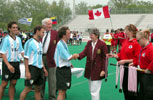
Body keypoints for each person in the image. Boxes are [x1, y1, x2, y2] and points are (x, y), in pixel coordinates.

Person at [107, 24, 141, 100]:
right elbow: (121, 54)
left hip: (133, 69)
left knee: (132, 92)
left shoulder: (136, 43)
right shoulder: (125, 41)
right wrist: (115, 55)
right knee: (125, 89)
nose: (125, 32)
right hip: (124, 69)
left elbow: (138, 58)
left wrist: (125, 61)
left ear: (131, 32)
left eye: (126, 30)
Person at [74, 28, 108, 100]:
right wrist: (78, 56)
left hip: (98, 71)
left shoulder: (102, 44)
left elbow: (105, 58)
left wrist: (103, 70)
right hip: (89, 70)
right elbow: (84, 52)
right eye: (90, 34)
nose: (90, 36)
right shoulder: (89, 43)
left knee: (94, 91)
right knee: (91, 90)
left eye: (92, 35)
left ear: (96, 35)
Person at [20, 26, 48, 100]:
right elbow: (26, 58)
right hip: (32, 68)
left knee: (38, 89)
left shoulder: (40, 43)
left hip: (40, 69)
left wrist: (44, 68)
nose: (43, 34)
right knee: (27, 89)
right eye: (42, 32)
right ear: (37, 31)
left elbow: (40, 56)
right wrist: (27, 71)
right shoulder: (30, 42)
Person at [0, 21, 24, 100]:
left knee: (13, 83)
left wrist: (26, 59)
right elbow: (2, 53)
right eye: (13, 27)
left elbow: (21, 51)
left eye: (16, 27)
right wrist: (8, 65)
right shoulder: (6, 39)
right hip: (8, 63)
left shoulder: (19, 39)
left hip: (16, 63)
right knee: (4, 83)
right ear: (9, 29)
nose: (15, 29)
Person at [54, 27, 76, 100]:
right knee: (61, 91)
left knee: (64, 90)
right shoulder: (60, 44)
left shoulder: (64, 43)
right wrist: (75, 56)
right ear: (64, 35)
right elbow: (67, 57)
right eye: (68, 33)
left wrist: (69, 63)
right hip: (62, 70)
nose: (70, 34)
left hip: (64, 69)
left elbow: (64, 57)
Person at [130, 30, 153, 100]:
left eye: (138, 40)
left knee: (148, 95)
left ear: (143, 39)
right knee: (141, 94)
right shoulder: (142, 48)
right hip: (142, 75)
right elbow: (140, 59)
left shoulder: (150, 49)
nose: (137, 42)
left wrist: (149, 69)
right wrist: (134, 63)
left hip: (149, 77)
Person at [41, 18, 58, 100]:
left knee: (52, 80)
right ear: (43, 25)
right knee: (41, 79)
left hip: (51, 58)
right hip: (40, 58)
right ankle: (40, 97)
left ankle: (52, 97)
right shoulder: (40, 33)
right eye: (48, 24)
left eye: (51, 24)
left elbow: (60, 46)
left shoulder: (55, 33)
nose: (50, 26)